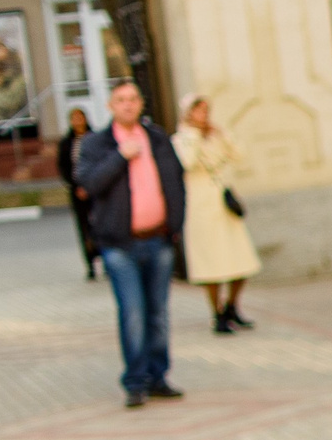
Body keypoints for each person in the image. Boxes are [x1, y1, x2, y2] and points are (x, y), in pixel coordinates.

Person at [74, 81, 186, 410]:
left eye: (134, 98)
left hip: (158, 239)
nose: (128, 104)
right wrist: (120, 157)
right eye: (121, 100)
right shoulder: (96, 143)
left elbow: (176, 182)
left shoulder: (157, 139)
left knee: (158, 313)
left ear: (141, 103)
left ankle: (158, 376)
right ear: (110, 106)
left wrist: (175, 224)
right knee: (133, 313)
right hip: (119, 245)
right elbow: (89, 183)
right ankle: (135, 381)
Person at [176, 96, 262, 332]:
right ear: (189, 113)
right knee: (210, 264)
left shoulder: (216, 136)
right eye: (199, 111)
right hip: (201, 206)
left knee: (242, 259)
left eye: (206, 110)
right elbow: (187, 162)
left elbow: (240, 156)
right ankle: (217, 313)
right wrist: (194, 134)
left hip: (224, 203)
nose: (204, 115)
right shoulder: (182, 138)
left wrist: (224, 135)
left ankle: (232, 306)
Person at [56, 105, 100, 280]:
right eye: (74, 119)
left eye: (80, 118)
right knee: (84, 228)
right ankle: (90, 264)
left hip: (97, 189)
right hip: (77, 192)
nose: (78, 121)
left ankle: (105, 258)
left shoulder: (95, 138)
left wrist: (93, 185)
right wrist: (76, 186)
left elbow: (100, 162)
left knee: (100, 224)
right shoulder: (67, 142)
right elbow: (64, 167)